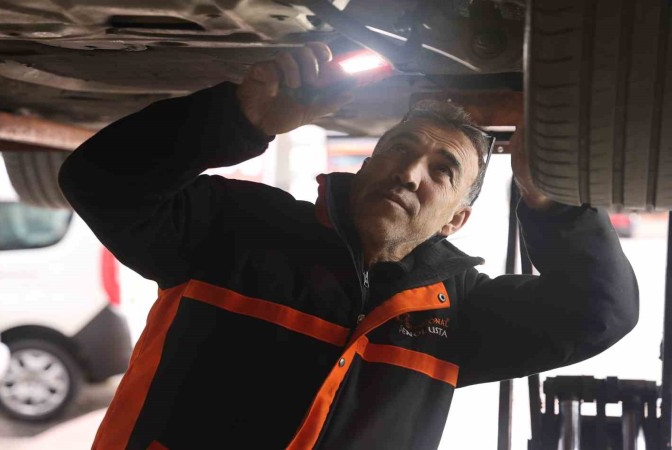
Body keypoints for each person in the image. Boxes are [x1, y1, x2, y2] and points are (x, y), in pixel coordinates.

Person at [59, 43, 639, 450]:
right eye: (399, 149)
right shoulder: (236, 229)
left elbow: (599, 313)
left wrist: (553, 201)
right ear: (366, 165)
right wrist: (239, 118)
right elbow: (101, 180)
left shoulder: (457, 314)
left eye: (442, 170)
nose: (409, 172)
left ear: (456, 220)